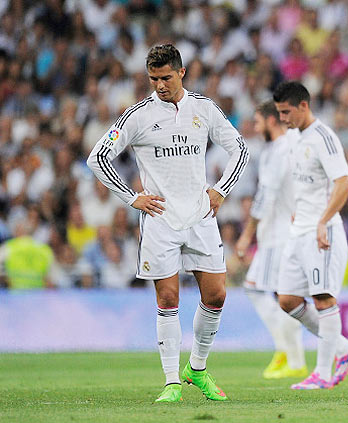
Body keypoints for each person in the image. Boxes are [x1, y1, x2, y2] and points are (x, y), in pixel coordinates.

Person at [86, 44, 248, 403]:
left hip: (201, 215)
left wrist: (221, 190)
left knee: (217, 295)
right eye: (153, 78)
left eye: (165, 77)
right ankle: (172, 381)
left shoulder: (203, 109)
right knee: (168, 297)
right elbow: (97, 157)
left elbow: (240, 148)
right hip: (160, 220)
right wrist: (132, 197)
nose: (159, 85)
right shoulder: (138, 116)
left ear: (182, 72)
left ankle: (198, 368)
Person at [273, 81, 348, 390]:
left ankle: (322, 374)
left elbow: (344, 183)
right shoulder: (295, 138)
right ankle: (343, 348)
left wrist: (323, 221)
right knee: (287, 300)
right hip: (298, 232)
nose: (283, 119)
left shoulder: (324, 137)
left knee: (323, 298)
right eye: (279, 113)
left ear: (303, 106)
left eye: (286, 112)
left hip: (321, 233)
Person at [235, 100, 307, 380]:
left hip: (278, 236)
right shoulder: (286, 146)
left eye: (257, 122)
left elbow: (266, 196)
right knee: (279, 296)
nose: (255, 127)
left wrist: (246, 235)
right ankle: (290, 355)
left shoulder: (279, 151)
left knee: (263, 291)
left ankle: (289, 353)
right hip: (283, 232)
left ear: (271, 121)